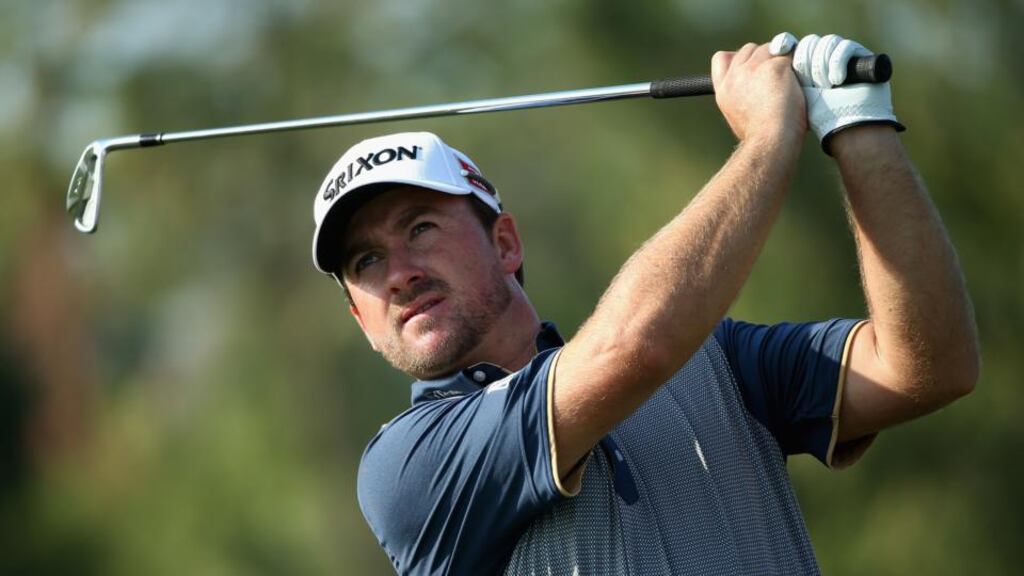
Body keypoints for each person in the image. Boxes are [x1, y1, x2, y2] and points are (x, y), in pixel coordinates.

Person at [310, 32, 978, 575]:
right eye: (366, 263)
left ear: (506, 242)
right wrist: (771, 136)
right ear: (360, 320)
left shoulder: (715, 362)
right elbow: (634, 348)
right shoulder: (408, 467)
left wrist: (858, 126)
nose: (397, 273)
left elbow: (929, 366)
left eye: (419, 229)